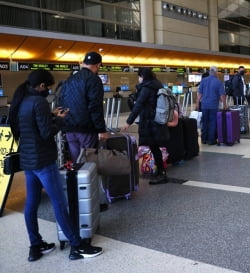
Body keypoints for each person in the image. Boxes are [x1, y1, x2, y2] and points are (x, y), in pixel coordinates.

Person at [8, 69, 103, 262]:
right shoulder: (38, 101)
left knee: (31, 204)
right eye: (48, 87)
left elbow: (30, 126)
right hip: (43, 160)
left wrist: (50, 115)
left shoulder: (20, 101)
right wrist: (59, 121)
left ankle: (35, 246)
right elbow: (46, 133)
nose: (49, 91)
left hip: (28, 161)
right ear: (42, 86)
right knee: (59, 203)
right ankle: (77, 246)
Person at [59, 51, 109, 162]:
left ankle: (76, 179)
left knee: (76, 162)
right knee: (88, 163)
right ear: (98, 65)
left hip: (69, 129)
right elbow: (95, 106)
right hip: (86, 129)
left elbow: (61, 101)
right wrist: (101, 130)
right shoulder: (94, 80)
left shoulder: (69, 79)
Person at [121, 67, 168, 185]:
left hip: (150, 122)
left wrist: (129, 121)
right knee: (154, 147)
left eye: (139, 76)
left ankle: (162, 173)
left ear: (143, 76)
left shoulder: (147, 88)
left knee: (154, 146)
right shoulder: (156, 85)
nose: (138, 79)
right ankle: (161, 171)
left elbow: (139, 105)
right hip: (154, 121)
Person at [196, 65, 226, 145]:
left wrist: (197, 103)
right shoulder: (218, 82)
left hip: (204, 105)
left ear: (209, 72)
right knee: (212, 122)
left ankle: (203, 139)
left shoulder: (203, 80)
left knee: (205, 122)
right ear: (216, 72)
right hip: (213, 106)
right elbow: (222, 96)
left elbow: (200, 94)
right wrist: (225, 105)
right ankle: (211, 140)